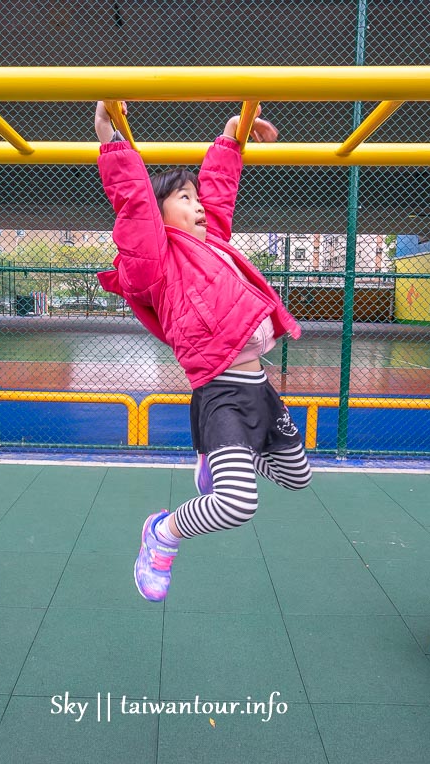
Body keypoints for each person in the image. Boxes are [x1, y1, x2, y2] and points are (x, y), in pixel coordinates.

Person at [93, 101, 313, 602]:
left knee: (297, 476)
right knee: (237, 504)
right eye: (184, 199)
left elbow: (218, 194)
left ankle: (221, 457)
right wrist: (111, 137)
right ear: (160, 214)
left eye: (196, 199)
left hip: (259, 387)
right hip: (221, 391)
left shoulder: (212, 242)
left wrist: (231, 138)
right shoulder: (155, 262)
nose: (197, 206)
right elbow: (133, 205)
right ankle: (161, 534)